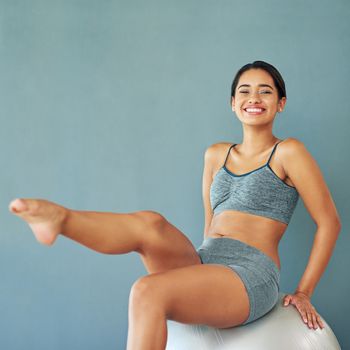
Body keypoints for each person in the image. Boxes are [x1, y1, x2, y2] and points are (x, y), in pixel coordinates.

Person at [9, 60, 341, 350]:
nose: (253, 98)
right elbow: (211, 225)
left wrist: (304, 291)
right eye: (244, 90)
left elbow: (329, 222)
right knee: (151, 223)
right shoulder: (215, 155)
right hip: (207, 259)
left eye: (265, 91)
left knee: (147, 292)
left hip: (250, 274)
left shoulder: (288, 152)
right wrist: (196, 275)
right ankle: (60, 219)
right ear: (232, 102)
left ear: (280, 103)